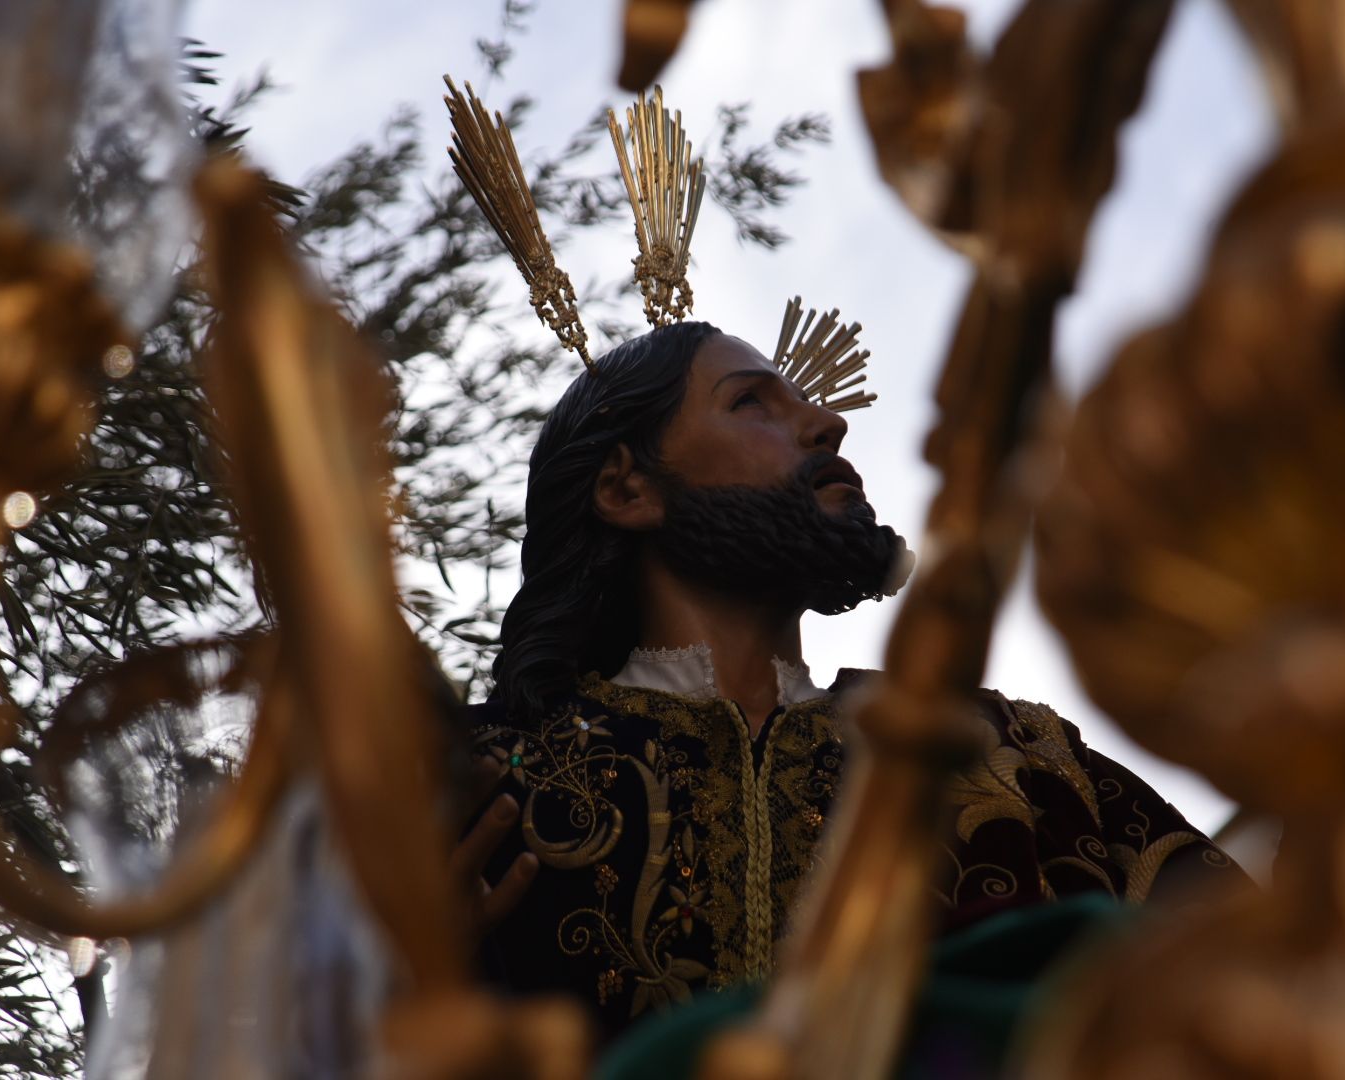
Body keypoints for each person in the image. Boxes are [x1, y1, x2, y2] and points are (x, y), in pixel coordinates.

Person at [453, 320, 1243, 1042]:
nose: (828, 423)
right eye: (752, 403)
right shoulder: (483, 777)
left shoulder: (1009, 751)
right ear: (628, 489)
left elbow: (1266, 983)